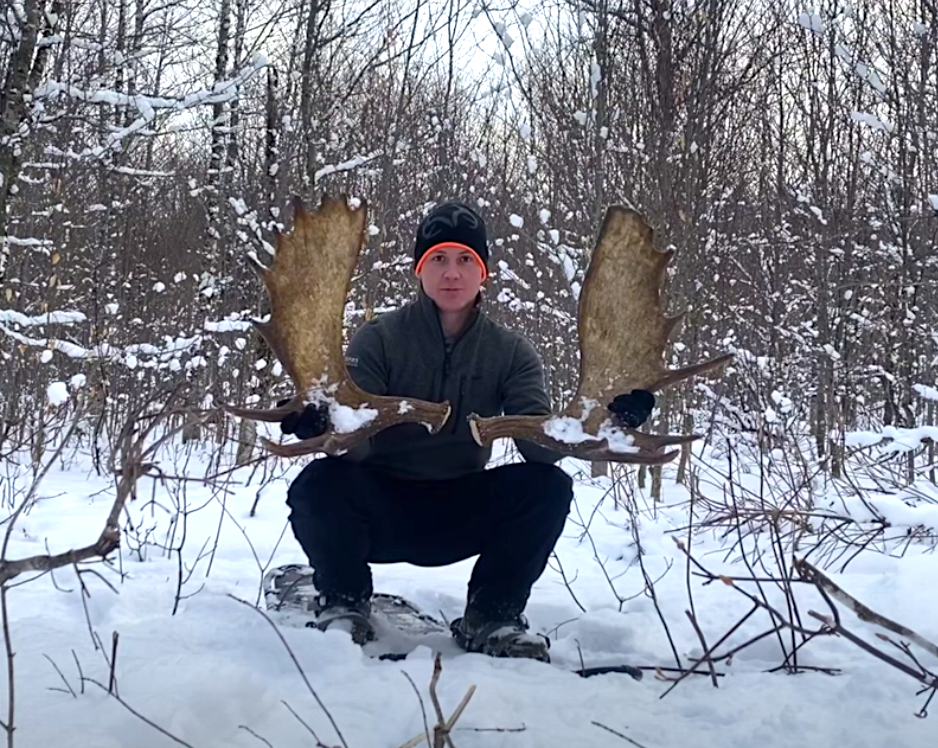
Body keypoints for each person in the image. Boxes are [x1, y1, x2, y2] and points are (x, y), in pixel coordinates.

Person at [281, 201, 654, 661]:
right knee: (320, 483)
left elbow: (539, 451)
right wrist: (325, 425)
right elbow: (356, 441)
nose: (452, 273)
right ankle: (344, 602)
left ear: (484, 273)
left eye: (465, 260)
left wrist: (611, 419)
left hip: (461, 508)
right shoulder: (378, 339)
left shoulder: (511, 353)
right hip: (379, 508)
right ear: (419, 269)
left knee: (547, 487)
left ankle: (492, 616)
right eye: (437, 258)